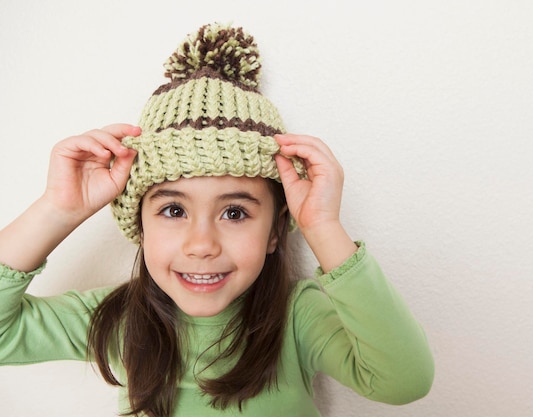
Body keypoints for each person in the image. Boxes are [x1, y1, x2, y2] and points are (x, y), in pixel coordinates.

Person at [0, 22, 434, 416]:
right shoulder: (120, 321)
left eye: (235, 212)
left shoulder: (297, 316)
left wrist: (322, 225)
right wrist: (57, 209)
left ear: (274, 232)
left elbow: (402, 381)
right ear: (140, 224)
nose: (202, 244)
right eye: (173, 210)